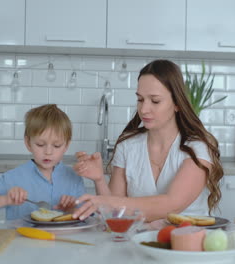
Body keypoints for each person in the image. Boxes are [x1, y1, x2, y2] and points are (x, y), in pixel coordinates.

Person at [72, 59, 224, 222]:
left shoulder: (196, 148)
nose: (143, 109)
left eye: (155, 101)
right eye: (140, 99)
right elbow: (115, 215)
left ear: (177, 104)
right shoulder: (127, 146)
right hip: (139, 241)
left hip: (189, 241)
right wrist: (99, 179)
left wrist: (109, 202)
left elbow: (172, 204)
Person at [0, 104, 86, 220]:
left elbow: (87, 216)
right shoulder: (13, 178)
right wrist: (6, 199)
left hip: (63, 238)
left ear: (66, 145)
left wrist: (71, 209)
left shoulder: (74, 178)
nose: (48, 152)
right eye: (40, 144)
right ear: (28, 143)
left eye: (56, 146)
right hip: (21, 238)